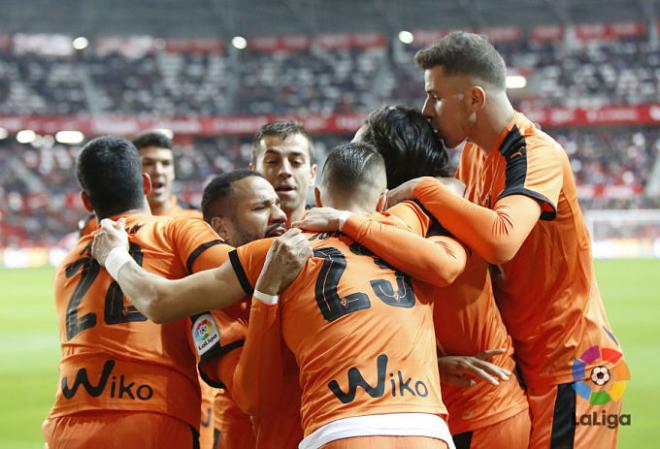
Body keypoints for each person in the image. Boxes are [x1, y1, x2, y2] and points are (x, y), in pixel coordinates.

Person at [92, 142, 470, 449]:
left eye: (279, 200)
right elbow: (254, 396)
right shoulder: (220, 302)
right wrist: (266, 295)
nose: (279, 213)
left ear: (314, 188)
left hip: (341, 429)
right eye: (262, 205)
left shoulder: (317, 249)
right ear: (220, 228)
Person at [387, 31, 625, 449]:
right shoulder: (476, 154)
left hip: (577, 367)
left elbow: (501, 240)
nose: (426, 110)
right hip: (530, 360)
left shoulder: (537, 154)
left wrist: (423, 187)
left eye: (435, 96)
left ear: (474, 99)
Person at [43, 136, 304, 449]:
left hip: (67, 422)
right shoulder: (175, 230)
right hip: (152, 415)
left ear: (87, 202)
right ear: (146, 184)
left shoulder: (69, 264)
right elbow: (237, 271)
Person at [301, 105, 529, 449]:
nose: (354, 157)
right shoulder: (391, 219)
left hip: (480, 412)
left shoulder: (435, 211)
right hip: (432, 410)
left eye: (362, 146)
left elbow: (442, 267)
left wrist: (346, 220)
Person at [78, 131, 199, 236]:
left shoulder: (197, 221)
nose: (158, 171)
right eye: (148, 163)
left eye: (166, 163)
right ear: (131, 170)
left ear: (173, 172)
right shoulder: (98, 225)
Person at [249, 121, 317, 226]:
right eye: (272, 161)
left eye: (296, 162)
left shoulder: (337, 237)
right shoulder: (232, 239)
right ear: (253, 174)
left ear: (312, 174)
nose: (285, 171)